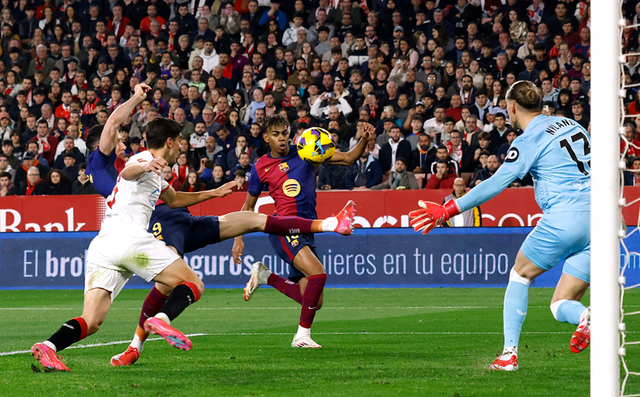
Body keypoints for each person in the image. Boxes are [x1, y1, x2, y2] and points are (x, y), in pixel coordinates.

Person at [83, 86, 357, 367]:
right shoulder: (115, 162)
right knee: (171, 283)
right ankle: (139, 342)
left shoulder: (127, 165)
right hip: (159, 223)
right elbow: (119, 139)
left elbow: (174, 198)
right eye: (116, 141)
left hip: (181, 217)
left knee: (251, 221)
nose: (121, 143)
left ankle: (142, 336)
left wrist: (215, 193)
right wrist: (137, 103)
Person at [408, 81, 591, 371]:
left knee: (519, 275)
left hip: (564, 216)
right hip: (600, 221)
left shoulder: (529, 139)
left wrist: (448, 208)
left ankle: (509, 355)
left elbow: (496, 182)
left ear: (511, 106)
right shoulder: (571, 124)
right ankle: (586, 317)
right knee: (560, 304)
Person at [233, 114, 375, 348]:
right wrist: (238, 238)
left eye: (285, 133)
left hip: (307, 229)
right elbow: (248, 207)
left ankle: (265, 276)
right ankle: (302, 336)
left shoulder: (305, 152)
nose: (282, 138)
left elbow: (349, 158)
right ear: (266, 137)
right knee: (318, 275)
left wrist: (365, 139)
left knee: (314, 301)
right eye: (276, 134)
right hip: (285, 229)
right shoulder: (260, 167)